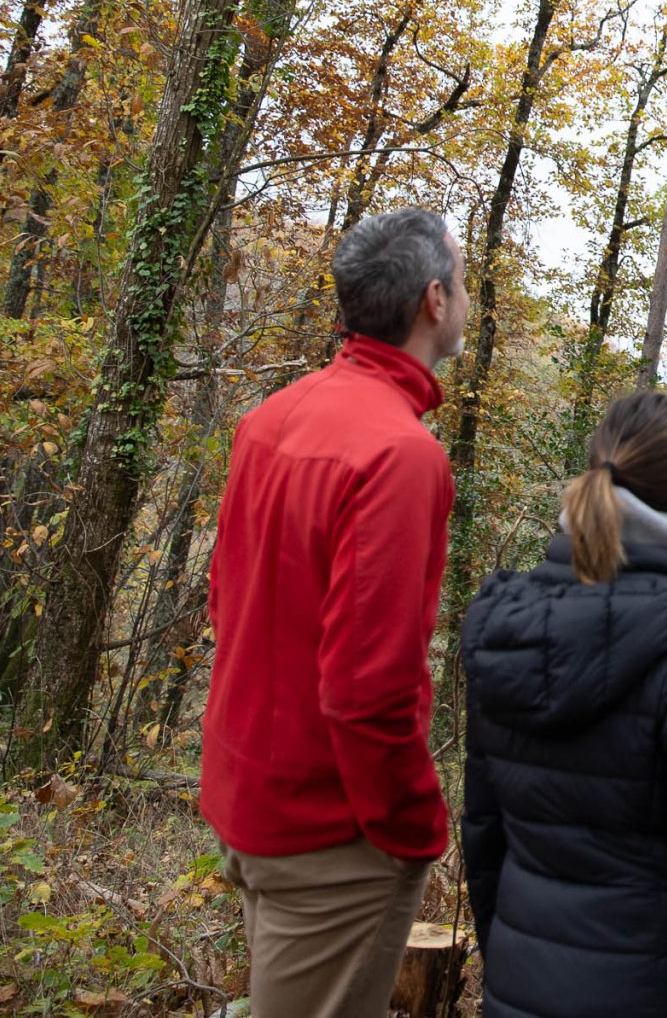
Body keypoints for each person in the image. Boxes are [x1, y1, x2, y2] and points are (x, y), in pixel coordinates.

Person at [199, 208, 467, 1018]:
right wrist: (413, 821)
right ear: (432, 299)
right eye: (461, 281)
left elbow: (224, 597)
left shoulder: (271, 416)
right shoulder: (400, 454)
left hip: (247, 792)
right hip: (332, 831)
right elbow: (368, 685)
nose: (465, 297)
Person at [458, 390, 667, 1018]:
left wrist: (508, 967)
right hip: (652, 988)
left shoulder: (505, 623)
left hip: (523, 983)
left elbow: (485, 834)